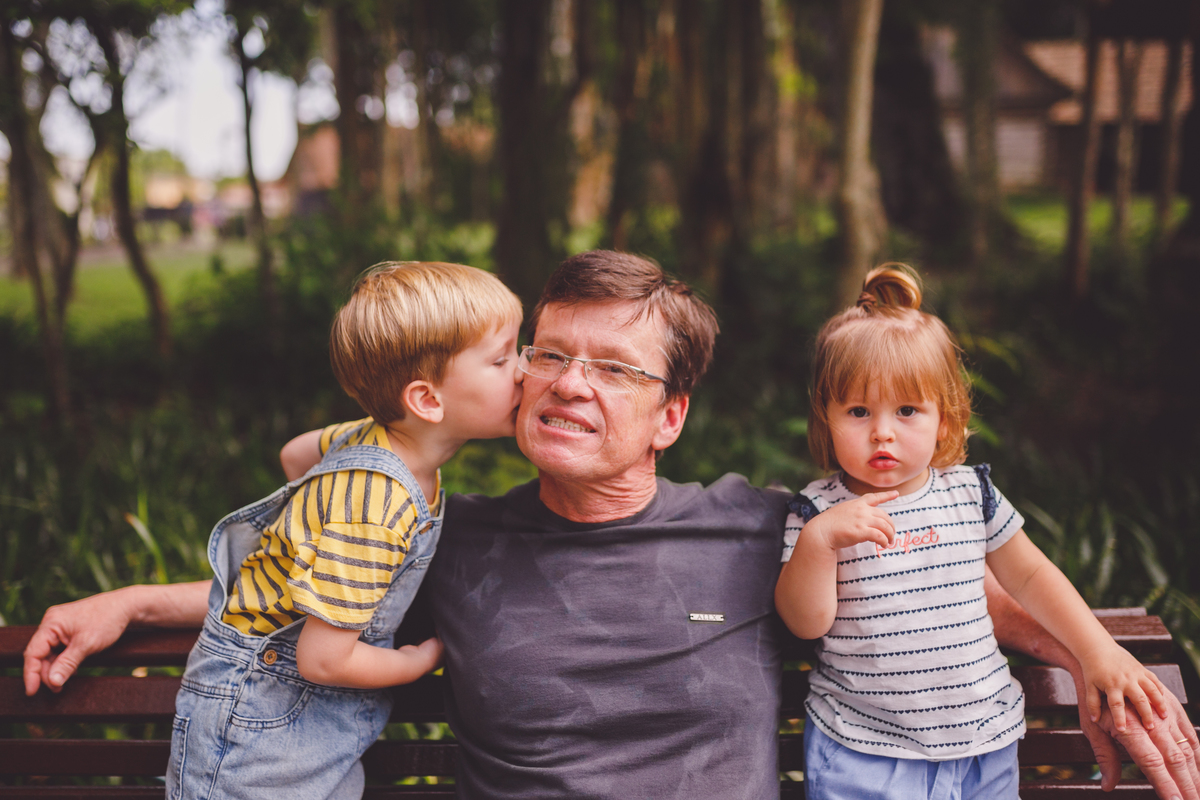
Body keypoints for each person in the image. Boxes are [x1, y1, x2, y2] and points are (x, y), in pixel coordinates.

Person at [24, 252, 1200, 799]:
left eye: (613, 367)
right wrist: (131, 601)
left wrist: (1097, 656)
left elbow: (949, 587)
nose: (567, 382)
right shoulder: (457, 537)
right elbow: (317, 591)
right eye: (546, 354)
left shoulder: (756, 527)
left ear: (669, 415)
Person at [107, 261, 522, 800]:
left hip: (287, 715)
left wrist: (314, 527)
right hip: (263, 728)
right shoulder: (377, 508)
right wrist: (410, 663)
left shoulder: (369, 437)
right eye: (501, 359)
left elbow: (295, 454)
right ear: (427, 400)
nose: (523, 370)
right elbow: (323, 659)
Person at [774, 264, 1175, 799]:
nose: (882, 432)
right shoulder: (818, 511)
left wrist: (1096, 650)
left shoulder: (969, 493)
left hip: (983, 744)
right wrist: (821, 543)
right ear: (827, 418)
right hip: (866, 752)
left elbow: (1030, 576)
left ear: (945, 419)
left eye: (907, 410)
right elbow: (806, 623)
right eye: (858, 411)